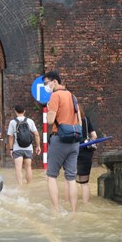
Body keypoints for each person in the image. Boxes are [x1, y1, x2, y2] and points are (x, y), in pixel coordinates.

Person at [44, 70, 80, 212]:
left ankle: (56, 210)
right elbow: (79, 121)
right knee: (71, 178)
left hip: (60, 139)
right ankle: (74, 210)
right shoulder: (73, 96)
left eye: (47, 83)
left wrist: (48, 111)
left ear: (55, 82)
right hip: (75, 140)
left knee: (51, 176)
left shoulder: (55, 96)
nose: (46, 86)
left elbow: (51, 120)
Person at [6, 104, 40, 184]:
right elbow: (36, 134)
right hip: (28, 148)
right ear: (24, 111)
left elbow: (10, 137)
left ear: (15, 111)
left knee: (18, 168)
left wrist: (11, 149)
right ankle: (29, 186)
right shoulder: (30, 121)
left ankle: (20, 187)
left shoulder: (13, 122)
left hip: (17, 149)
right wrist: (38, 146)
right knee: (28, 167)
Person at [76, 106, 100, 203]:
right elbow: (94, 136)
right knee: (84, 182)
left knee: (69, 180)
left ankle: (70, 203)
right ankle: (86, 204)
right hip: (86, 151)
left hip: (73, 150)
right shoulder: (86, 120)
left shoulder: (69, 120)